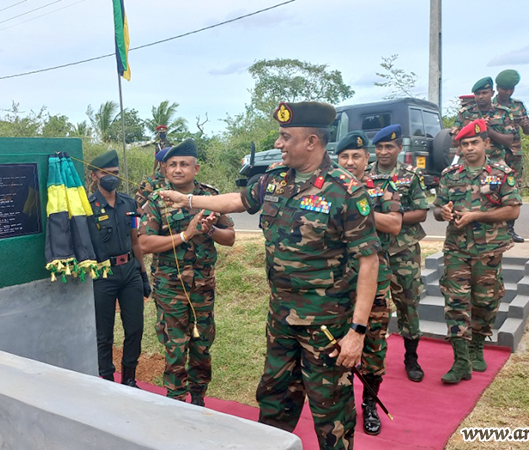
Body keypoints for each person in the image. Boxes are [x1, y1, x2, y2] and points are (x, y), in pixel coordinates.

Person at [159, 101, 380, 450]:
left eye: (285, 136)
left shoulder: (346, 190)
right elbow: (235, 201)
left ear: (311, 141)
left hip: (326, 325)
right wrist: (188, 202)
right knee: (274, 402)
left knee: (330, 411)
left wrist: (357, 332)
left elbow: (369, 261)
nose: (278, 143)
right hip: (280, 320)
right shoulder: (275, 180)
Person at [139, 138, 235, 406]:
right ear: (165, 170)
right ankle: (176, 401)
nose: (178, 169)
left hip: (203, 287)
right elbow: (145, 243)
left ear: (197, 168)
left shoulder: (210, 198)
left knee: (202, 345)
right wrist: (186, 234)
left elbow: (230, 238)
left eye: (184, 164)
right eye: (172, 165)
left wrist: (210, 231)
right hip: (171, 289)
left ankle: (199, 398)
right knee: (175, 347)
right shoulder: (157, 201)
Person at [433, 119, 521, 384]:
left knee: (485, 301)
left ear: (486, 143)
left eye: (474, 142)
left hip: (489, 249)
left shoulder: (501, 172)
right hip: (456, 249)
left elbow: (513, 209)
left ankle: (477, 347)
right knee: (455, 302)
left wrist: (476, 216)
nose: (469, 148)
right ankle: (461, 361)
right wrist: (444, 212)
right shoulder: (451, 175)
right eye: (464, 143)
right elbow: (437, 209)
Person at [336, 130, 402, 436]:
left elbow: (394, 223)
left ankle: (370, 403)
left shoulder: (383, 187)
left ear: (367, 160)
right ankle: (340, 404)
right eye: (344, 157)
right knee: (338, 347)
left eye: (356, 157)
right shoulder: (327, 189)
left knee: (373, 348)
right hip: (337, 284)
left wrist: (355, 209)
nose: (350, 162)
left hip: (374, 282)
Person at [367, 124, 429, 383]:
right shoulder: (364, 175)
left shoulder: (410, 175)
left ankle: (411, 357)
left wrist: (393, 218)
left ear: (399, 148)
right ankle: (371, 357)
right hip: (374, 251)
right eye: (379, 147)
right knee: (374, 305)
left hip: (403, 250)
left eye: (389, 147)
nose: (383, 152)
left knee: (408, 304)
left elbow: (422, 211)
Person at [87, 149, 150, 386]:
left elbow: (135, 240)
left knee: (134, 329)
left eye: (115, 173)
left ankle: (129, 378)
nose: (112, 177)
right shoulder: (87, 207)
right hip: (103, 275)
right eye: (107, 173)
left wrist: (143, 275)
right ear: (95, 176)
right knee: (104, 333)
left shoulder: (130, 203)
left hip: (130, 273)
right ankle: (106, 377)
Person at [494, 69, 529, 243]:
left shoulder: (518, 105)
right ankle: (495, 228)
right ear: (498, 88)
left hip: (514, 155)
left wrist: (525, 125)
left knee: (513, 191)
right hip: (495, 154)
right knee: (492, 190)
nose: (508, 92)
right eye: (505, 89)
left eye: (511, 89)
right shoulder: (490, 106)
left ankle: (510, 229)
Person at [453, 77, 516, 163]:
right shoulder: (465, 113)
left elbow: (509, 141)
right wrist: (473, 128)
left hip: (495, 161)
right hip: (468, 162)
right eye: (477, 94)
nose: (481, 96)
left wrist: (488, 131)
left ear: (492, 93)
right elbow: (454, 141)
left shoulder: (503, 112)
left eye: (484, 93)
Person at [135, 146, 170, 214]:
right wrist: (149, 218)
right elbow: (136, 206)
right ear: (163, 164)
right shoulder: (151, 182)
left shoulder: (180, 180)